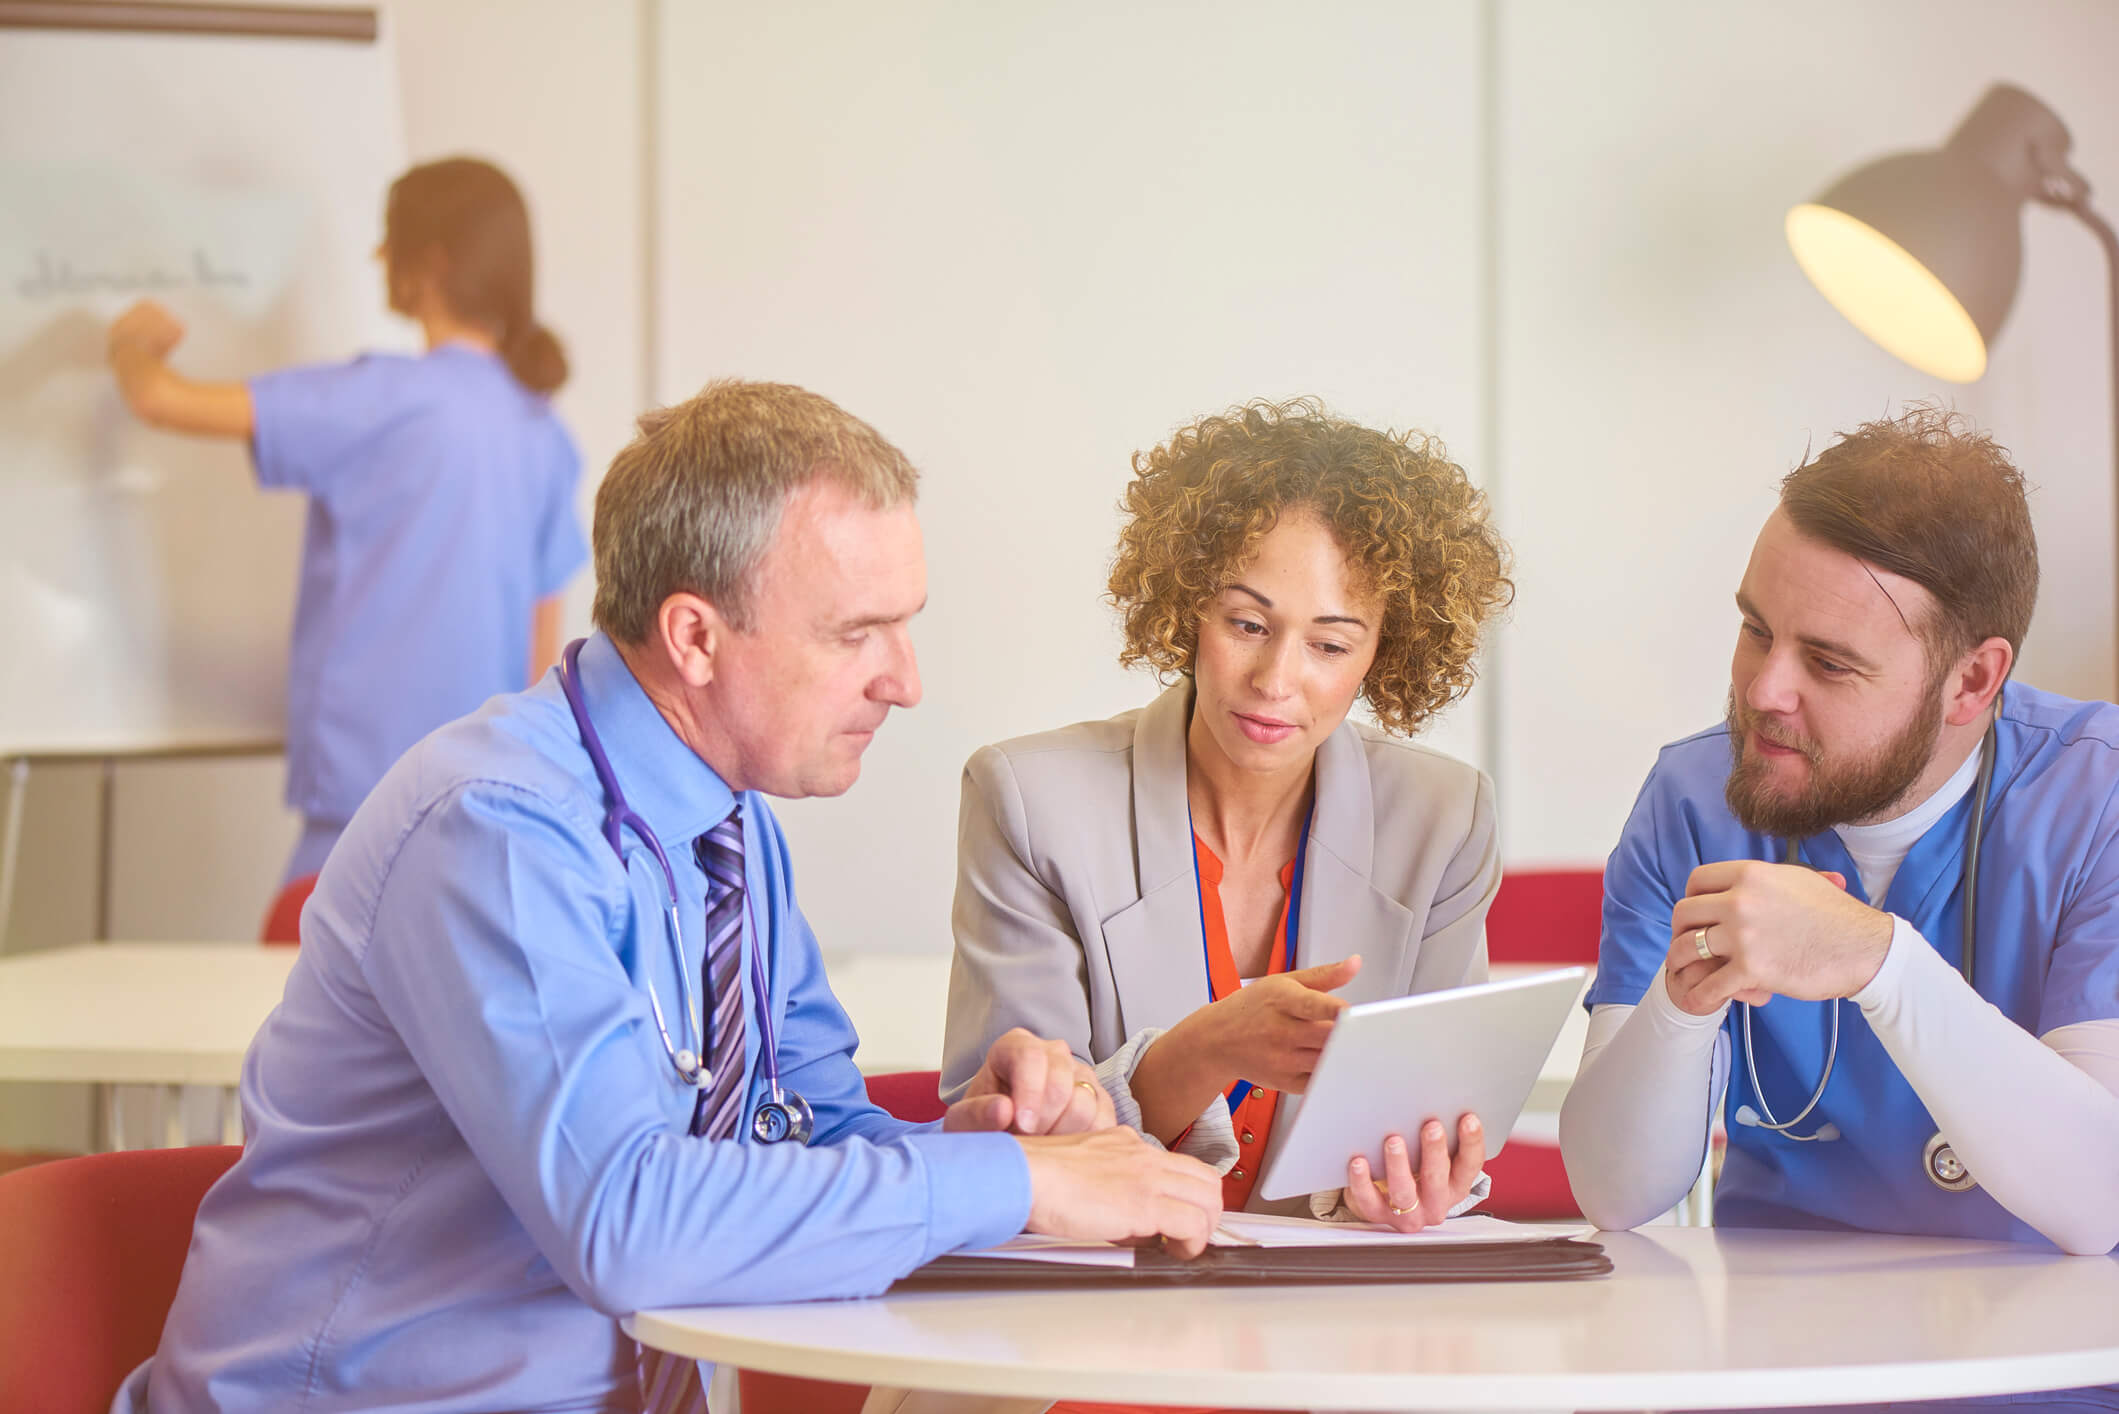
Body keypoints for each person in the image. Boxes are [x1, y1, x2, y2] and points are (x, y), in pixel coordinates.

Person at [114, 380, 1222, 1414]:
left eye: (905, 621)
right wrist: (1005, 1183)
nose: (905, 679)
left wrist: (987, 1132)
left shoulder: (733, 829)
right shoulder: (496, 829)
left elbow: (809, 1137)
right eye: (856, 634)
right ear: (694, 636)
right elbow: (626, 1223)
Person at [1560, 407, 2119, 1293]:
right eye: (1754, 630)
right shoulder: (1692, 797)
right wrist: (1679, 1010)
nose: (1762, 690)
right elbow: (1616, 1193)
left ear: (1970, 681)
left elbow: (2100, 1202)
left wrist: (1877, 960)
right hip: (1779, 1357)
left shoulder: (2096, 797)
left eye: (1828, 663)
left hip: (2045, 1358)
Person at [944, 397, 1515, 1246]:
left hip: (1330, 1323)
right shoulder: (1031, 800)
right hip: (1093, 1309)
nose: (1275, 679)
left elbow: (1432, 1124)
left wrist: (1413, 1182)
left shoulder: (1441, 820)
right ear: (1186, 608)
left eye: (1329, 644)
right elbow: (1012, 1142)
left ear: (1383, 652)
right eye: (1246, 624)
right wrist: (1198, 1053)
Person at [106, 157, 588, 886]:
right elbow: (539, 660)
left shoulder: (382, 399)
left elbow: (159, 401)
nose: (373, 257)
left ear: (430, 262)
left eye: (386, 240)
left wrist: (125, 344)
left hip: (365, 824)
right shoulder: (542, 432)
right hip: (486, 821)